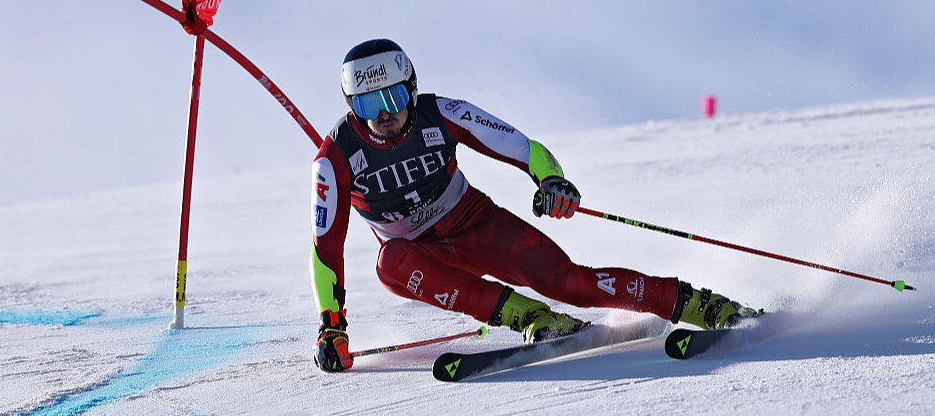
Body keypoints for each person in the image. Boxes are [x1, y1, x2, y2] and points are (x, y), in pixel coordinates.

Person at [311, 39, 758, 372]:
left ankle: (705, 306)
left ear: (411, 90)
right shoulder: (335, 159)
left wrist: (551, 180)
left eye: (392, 98)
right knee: (390, 263)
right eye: (368, 104)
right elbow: (325, 248)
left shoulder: (442, 113)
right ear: (352, 106)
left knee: (571, 283)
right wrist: (332, 325)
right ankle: (534, 319)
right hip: (421, 257)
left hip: (474, 224)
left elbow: (522, 146)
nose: (382, 115)